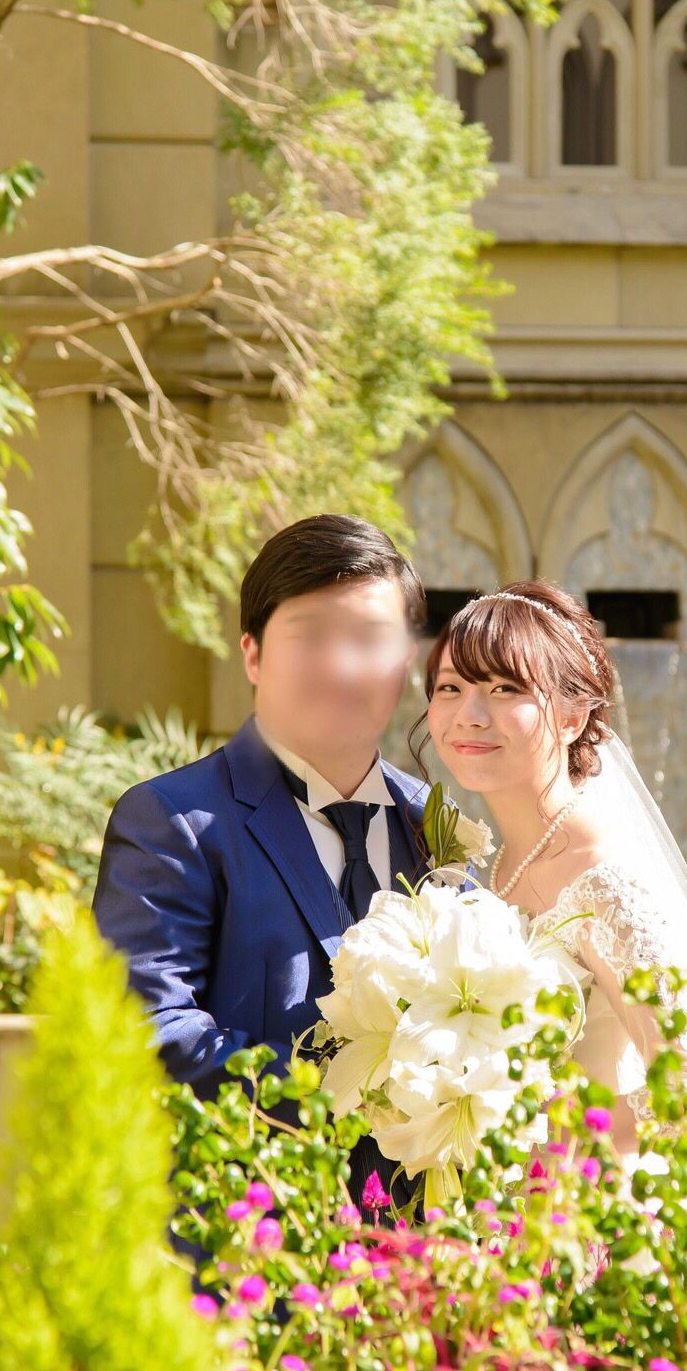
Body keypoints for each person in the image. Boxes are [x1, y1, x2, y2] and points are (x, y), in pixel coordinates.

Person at [92, 513, 430, 1208]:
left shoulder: (435, 824)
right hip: (248, 1237)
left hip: (424, 1248)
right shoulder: (172, 822)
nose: (341, 666)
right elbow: (149, 1033)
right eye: (310, 636)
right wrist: (358, 1088)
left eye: (369, 637)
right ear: (252, 654)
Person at [420, 579, 687, 1178]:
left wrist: (530, 1121)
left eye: (504, 689)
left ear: (573, 717)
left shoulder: (600, 877)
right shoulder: (493, 861)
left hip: (595, 1208)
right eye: (450, 687)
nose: (469, 715)